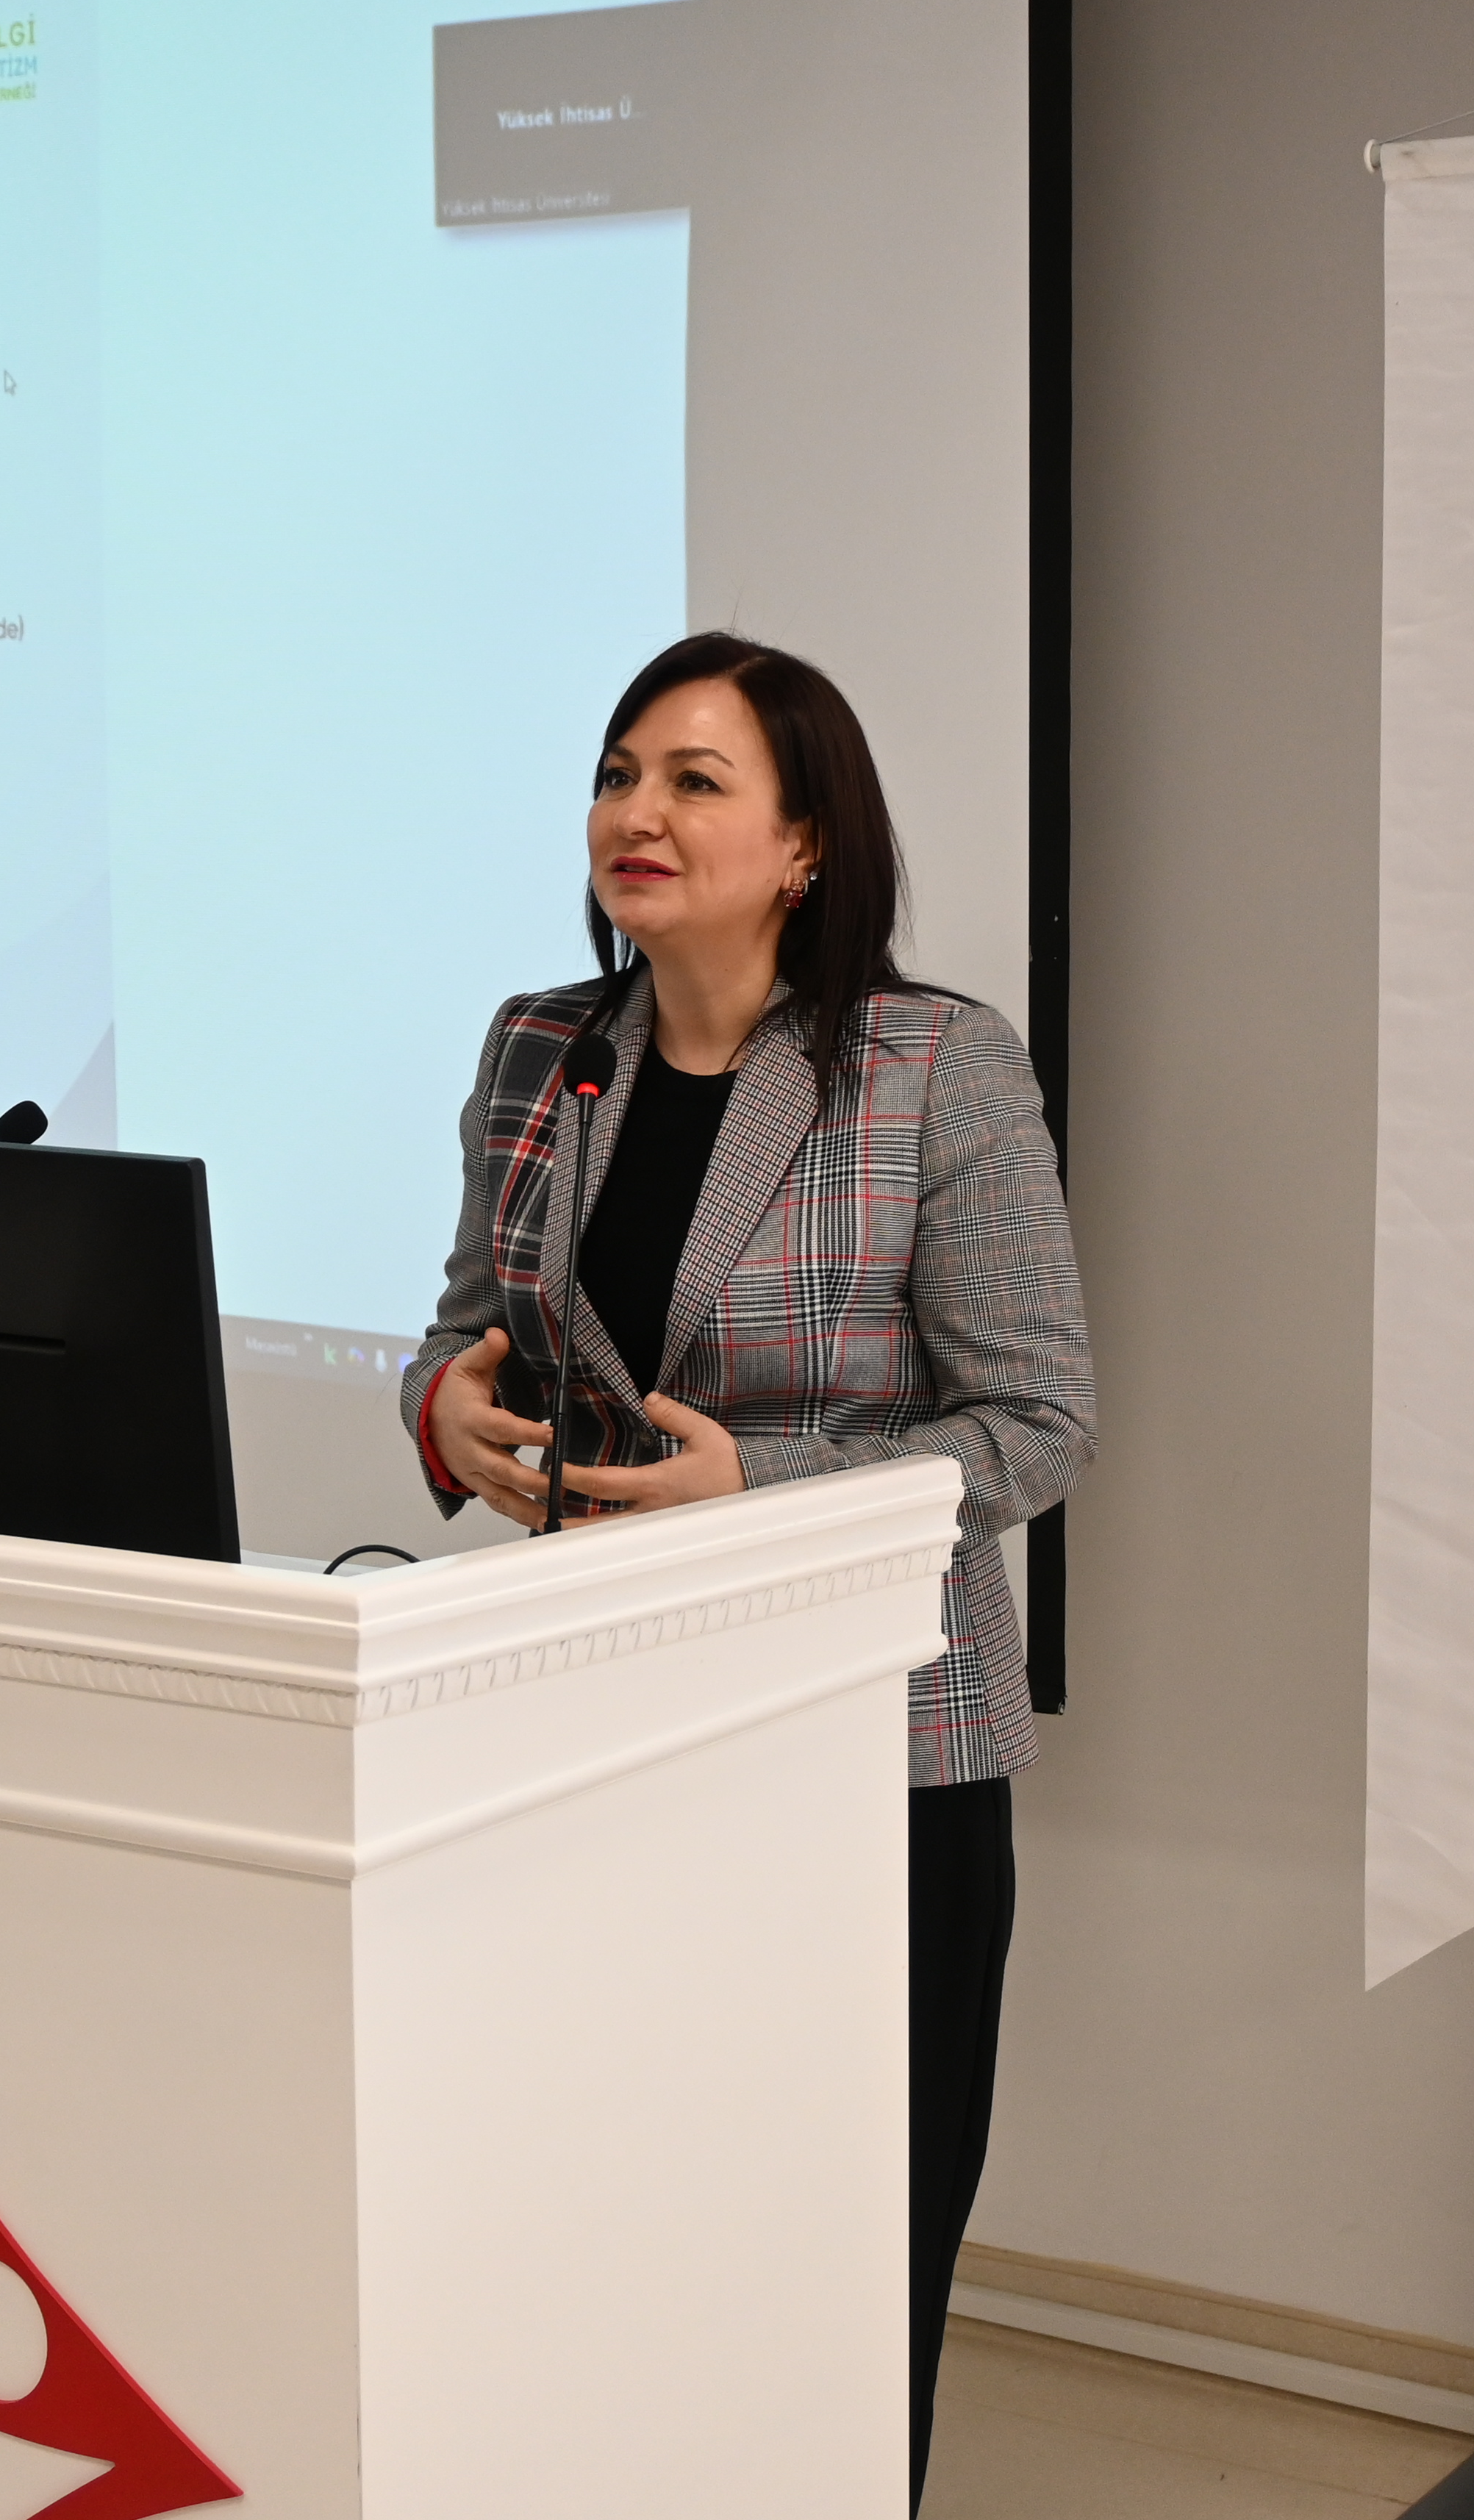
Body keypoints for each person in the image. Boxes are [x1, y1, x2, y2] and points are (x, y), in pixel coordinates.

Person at [398, 631, 1094, 2510]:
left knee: (847, 2254)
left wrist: (759, 1488)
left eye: (694, 780)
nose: (636, 812)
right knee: (612, 2236)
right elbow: (469, 1328)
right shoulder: (543, 1051)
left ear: (805, 844)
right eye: (618, 774)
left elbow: (1038, 1423)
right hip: (588, 1739)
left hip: (869, 1761)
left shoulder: (932, 1066)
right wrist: (443, 1409)